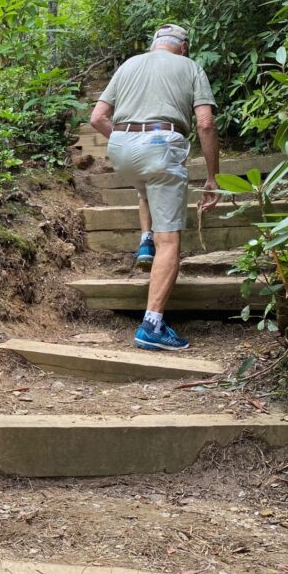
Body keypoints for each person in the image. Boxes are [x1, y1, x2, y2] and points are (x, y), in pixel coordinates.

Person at [88, 23, 220, 351]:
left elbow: (97, 118)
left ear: (154, 44)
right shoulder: (190, 67)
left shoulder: (129, 64)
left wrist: (127, 140)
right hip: (161, 144)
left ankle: (144, 241)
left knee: (146, 183)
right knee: (170, 240)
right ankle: (152, 325)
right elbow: (205, 122)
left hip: (121, 147)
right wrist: (212, 177)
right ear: (183, 47)